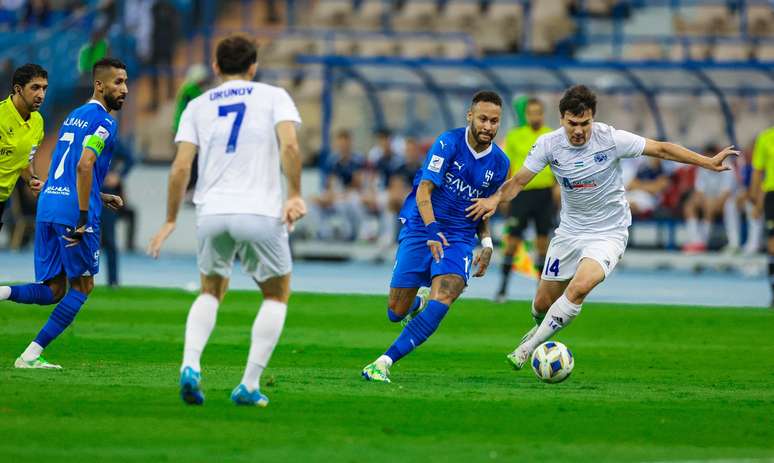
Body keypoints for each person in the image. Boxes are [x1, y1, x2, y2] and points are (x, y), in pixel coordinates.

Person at [466, 85, 738, 369]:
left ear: (593, 118)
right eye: (573, 124)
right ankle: (541, 327)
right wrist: (494, 199)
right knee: (541, 304)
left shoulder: (611, 138)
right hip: (570, 232)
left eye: (585, 123)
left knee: (580, 287)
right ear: (562, 120)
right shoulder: (549, 144)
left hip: (609, 232)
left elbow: (661, 148)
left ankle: (527, 349)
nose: (579, 130)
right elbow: (520, 180)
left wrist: (706, 162)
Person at [147, 35, 306, 407]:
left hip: (212, 212)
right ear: (253, 67)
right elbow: (291, 146)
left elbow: (180, 168)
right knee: (276, 293)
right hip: (260, 212)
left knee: (210, 291)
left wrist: (170, 219)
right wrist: (295, 193)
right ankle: (249, 385)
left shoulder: (198, 106)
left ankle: (190, 365)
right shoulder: (273, 96)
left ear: (216, 67)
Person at [361, 90, 510, 383]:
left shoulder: (500, 163)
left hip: (459, 236)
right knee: (395, 311)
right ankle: (416, 302)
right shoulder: (448, 143)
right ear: (470, 116)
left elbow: (482, 207)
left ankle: (383, 362)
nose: (488, 126)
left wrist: (487, 242)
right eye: (482, 119)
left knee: (446, 294)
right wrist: (431, 230)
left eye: (494, 121)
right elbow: (424, 190)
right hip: (422, 226)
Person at [0, 58, 127, 369]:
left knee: (54, 289)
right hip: (73, 213)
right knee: (83, 287)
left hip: (49, 205)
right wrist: (84, 216)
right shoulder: (104, 122)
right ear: (99, 85)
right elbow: (84, 165)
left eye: (125, 82)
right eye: (118, 83)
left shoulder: (73, 117)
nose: (124, 89)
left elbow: (67, 169)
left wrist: (99, 193)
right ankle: (30, 355)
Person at [496, 97, 555, 302]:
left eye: (538, 112)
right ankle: (502, 289)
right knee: (512, 242)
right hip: (520, 195)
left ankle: (542, 292)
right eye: (531, 112)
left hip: (544, 194)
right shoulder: (514, 136)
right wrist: (504, 196)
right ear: (526, 115)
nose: (535, 116)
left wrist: (557, 188)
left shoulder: (551, 135)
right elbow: (507, 168)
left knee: (542, 244)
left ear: (543, 114)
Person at [0, 63, 47, 233]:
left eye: (44, 88)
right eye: (35, 88)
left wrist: (31, 180)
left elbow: (25, 161)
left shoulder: (38, 122)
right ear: (18, 89)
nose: (41, 95)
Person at [682, 144, 738, 253]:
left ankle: (703, 242)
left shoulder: (728, 166)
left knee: (713, 206)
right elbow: (699, 191)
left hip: (724, 201)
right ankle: (695, 240)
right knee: (689, 206)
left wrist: (711, 203)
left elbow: (726, 193)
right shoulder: (703, 167)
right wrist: (704, 202)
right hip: (708, 200)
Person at [750, 125, 774, 306]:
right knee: (773, 246)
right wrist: (757, 202)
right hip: (771, 194)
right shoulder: (765, 137)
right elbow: (758, 172)